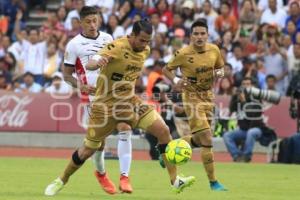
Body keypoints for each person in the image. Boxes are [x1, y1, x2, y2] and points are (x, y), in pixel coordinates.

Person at [44, 19, 195, 196]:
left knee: (163, 131)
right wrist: (97, 63)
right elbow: (93, 62)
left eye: (148, 41)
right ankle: (61, 180)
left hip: (130, 102)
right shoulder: (116, 47)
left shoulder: (144, 50)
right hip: (105, 107)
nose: (145, 44)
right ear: (132, 36)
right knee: (87, 150)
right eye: (142, 40)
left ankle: (175, 181)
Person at [45, 6, 133, 195]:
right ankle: (100, 173)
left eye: (95, 20)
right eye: (88, 22)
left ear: (99, 20)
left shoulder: (109, 39)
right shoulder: (74, 45)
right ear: (80, 23)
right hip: (94, 99)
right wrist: (81, 87)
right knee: (96, 145)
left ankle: (124, 177)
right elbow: (67, 75)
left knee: (125, 127)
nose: (93, 25)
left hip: (115, 94)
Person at [163, 19, 227, 191]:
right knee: (206, 138)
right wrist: (176, 80)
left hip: (208, 97)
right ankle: (214, 182)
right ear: (191, 36)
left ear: (207, 35)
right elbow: (166, 69)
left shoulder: (214, 50)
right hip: (191, 98)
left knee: (198, 139)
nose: (199, 37)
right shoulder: (183, 53)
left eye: (202, 33)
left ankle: (169, 153)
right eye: (196, 34)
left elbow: (221, 68)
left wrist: (220, 73)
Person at [223, 77, 267, 162]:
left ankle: (246, 156)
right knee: (227, 135)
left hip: (257, 129)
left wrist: (243, 102)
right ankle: (237, 156)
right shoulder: (239, 97)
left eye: (248, 84)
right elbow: (231, 109)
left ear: (252, 86)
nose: (245, 86)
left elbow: (252, 115)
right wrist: (235, 96)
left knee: (251, 132)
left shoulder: (256, 98)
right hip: (243, 130)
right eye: (244, 84)